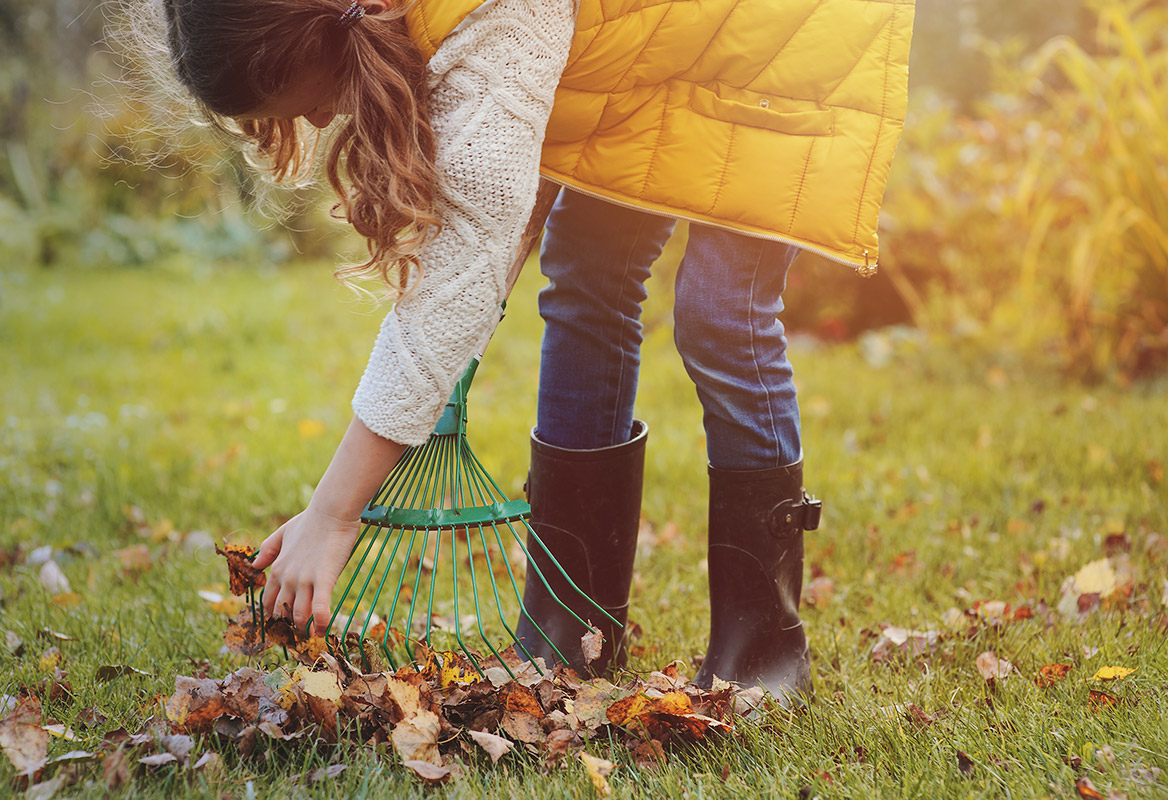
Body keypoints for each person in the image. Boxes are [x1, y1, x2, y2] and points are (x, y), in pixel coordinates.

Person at [154, 0, 914, 703]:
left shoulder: (495, 9)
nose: (323, 115)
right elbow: (498, 211)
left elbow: (468, 246)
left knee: (721, 310)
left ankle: (763, 647)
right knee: (586, 274)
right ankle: (571, 624)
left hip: (784, 28)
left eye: (310, 96)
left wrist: (334, 511)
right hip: (651, 41)